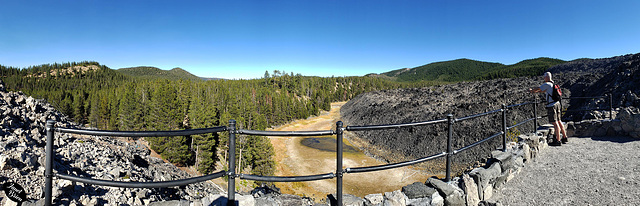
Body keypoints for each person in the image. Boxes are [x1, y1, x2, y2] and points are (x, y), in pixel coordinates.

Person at [529, 72, 568, 146]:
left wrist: (532, 90)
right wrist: (536, 91)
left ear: (547, 77)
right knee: (559, 121)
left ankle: (558, 140)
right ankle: (565, 137)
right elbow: (542, 90)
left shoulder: (547, 84)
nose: (544, 78)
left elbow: (539, 88)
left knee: (555, 122)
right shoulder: (552, 84)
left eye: (544, 77)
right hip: (557, 104)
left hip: (552, 105)